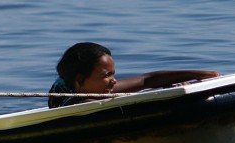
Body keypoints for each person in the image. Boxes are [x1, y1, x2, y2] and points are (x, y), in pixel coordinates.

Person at [49, 42, 220, 108]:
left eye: (113, 75)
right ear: (80, 80)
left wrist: (201, 74)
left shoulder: (91, 87)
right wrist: (168, 94)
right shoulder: (74, 102)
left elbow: (146, 80)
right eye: (106, 75)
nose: (113, 81)